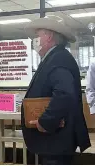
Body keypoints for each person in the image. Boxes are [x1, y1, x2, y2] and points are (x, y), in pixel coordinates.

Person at [21, 16, 91, 165]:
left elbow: (64, 94)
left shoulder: (59, 59)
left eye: (38, 35)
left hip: (56, 141)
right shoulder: (54, 57)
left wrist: (46, 122)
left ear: (49, 36)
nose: (35, 40)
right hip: (53, 142)